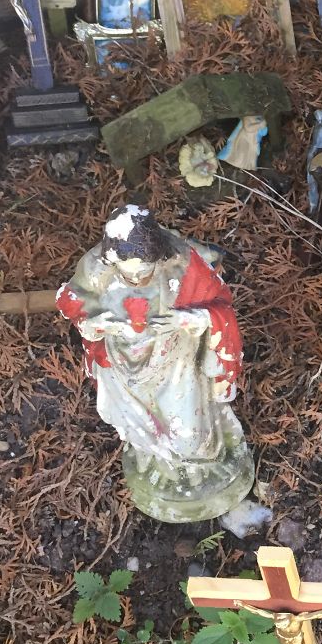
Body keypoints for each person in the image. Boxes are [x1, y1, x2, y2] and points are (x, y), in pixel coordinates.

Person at [56, 205, 254, 522]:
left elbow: (219, 306)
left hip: (176, 360)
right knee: (139, 424)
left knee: (187, 428)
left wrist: (189, 319)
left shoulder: (183, 264)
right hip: (121, 363)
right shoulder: (95, 269)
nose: (136, 278)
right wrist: (98, 323)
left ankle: (200, 466)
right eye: (127, 272)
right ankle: (160, 463)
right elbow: (72, 303)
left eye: (144, 270)